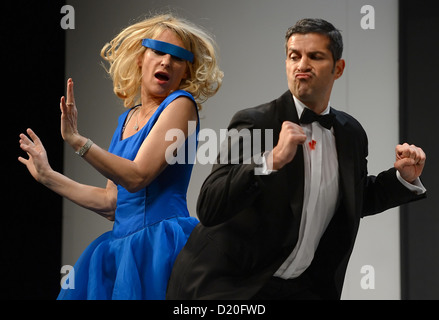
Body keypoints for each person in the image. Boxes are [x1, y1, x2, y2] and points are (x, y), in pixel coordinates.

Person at [166, 18, 427, 300]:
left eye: (314, 56)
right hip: (231, 285)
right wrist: (270, 160)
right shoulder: (257, 122)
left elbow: (352, 199)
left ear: (338, 68)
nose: (302, 65)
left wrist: (403, 178)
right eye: (294, 56)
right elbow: (210, 205)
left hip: (301, 289)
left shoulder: (351, 133)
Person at [18, 13, 223, 300]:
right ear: (141, 58)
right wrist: (48, 176)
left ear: (186, 71)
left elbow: (138, 176)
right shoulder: (125, 120)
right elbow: (111, 203)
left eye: (177, 57)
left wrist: (78, 141)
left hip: (159, 246)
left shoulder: (181, 105)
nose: (166, 61)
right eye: (159, 51)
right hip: (120, 248)